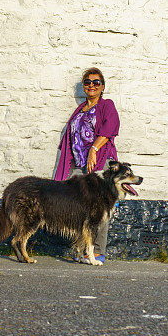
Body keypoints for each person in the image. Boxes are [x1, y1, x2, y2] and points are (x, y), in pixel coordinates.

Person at [54, 67, 120, 262]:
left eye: (96, 82)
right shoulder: (79, 109)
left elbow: (110, 128)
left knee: (100, 206)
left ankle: (98, 250)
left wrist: (94, 149)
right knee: (78, 206)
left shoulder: (106, 105)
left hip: (99, 161)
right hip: (78, 165)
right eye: (87, 82)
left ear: (102, 86)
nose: (91, 85)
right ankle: (84, 250)